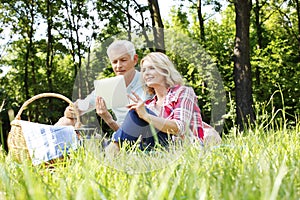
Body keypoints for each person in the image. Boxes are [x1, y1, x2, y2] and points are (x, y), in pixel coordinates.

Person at [102, 52, 205, 152]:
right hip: (155, 149)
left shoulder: (183, 92)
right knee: (136, 115)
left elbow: (179, 128)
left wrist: (146, 116)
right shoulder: (149, 105)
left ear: (165, 71)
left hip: (182, 148)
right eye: (144, 70)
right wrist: (108, 118)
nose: (146, 73)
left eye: (151, 68)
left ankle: (108, 154)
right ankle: (109, 151)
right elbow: (128, 134)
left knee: (137, 114)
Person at [55, 40, 148, 131]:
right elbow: (85, 104)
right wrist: (72, 111)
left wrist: (107, 118)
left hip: (143, 136)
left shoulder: (147, 82)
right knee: (66, 121)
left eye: (123, 60)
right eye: (115, 62)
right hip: (119, 135)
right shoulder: (109, 86)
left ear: (135, 59)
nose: (118, 66)